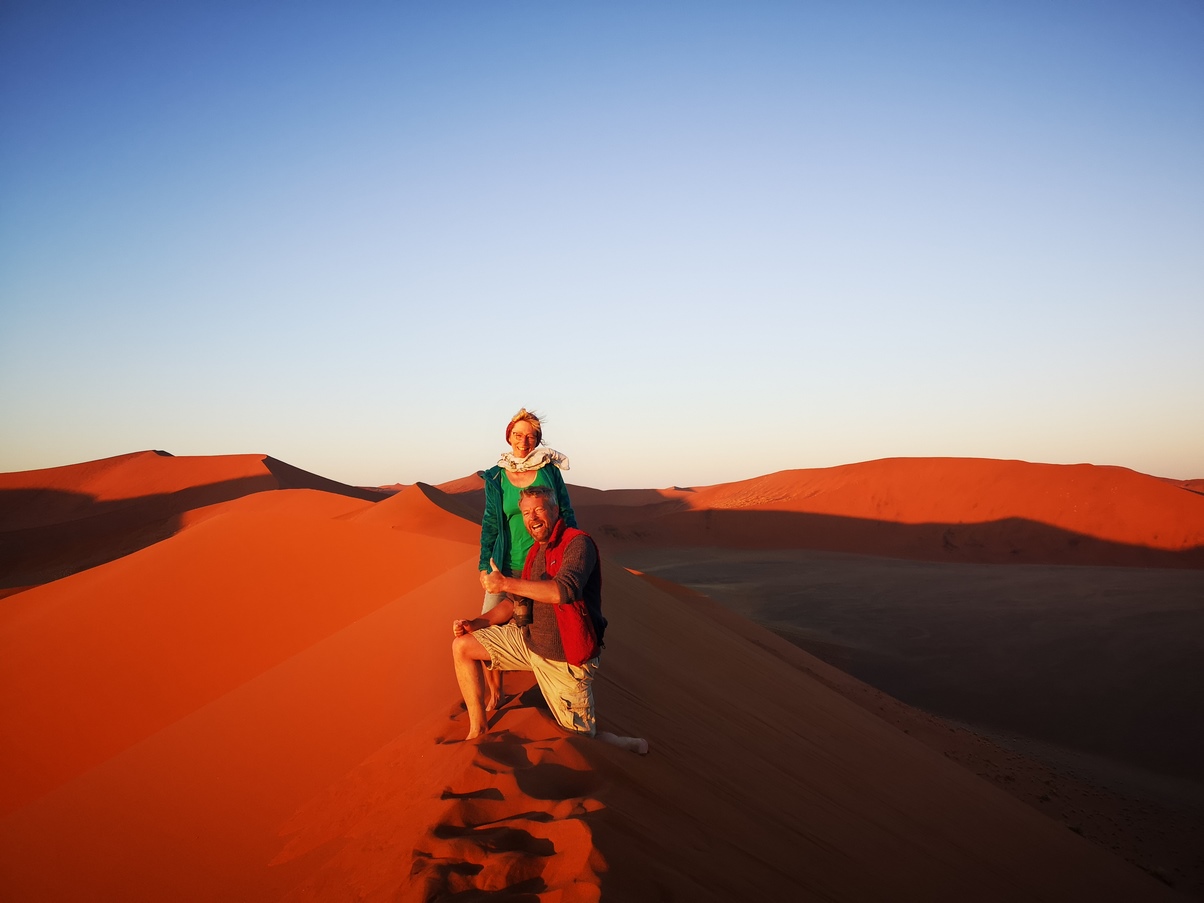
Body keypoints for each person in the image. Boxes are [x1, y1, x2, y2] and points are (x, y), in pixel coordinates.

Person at [452, 486, 648, 754]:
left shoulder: (578, 544)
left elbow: (562, 591)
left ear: (555, 510)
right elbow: (512, 602)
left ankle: (627, 745)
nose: (532, 517)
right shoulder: (535, 551)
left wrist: (506, 582)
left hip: (563, 659)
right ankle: (478, 730)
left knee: (581, 744)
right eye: (526, 513)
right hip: (529, 643)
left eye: (539, 509)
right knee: (463, 646)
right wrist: (476, 624)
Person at [477, 409, 576, 711]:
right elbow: (491, 523)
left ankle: (558, 691)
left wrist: (572, 548)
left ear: (537, 440)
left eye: (530, 436)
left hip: (544, 565)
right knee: (486, 629)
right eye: (518, 435)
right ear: (509, 436)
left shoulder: (549, 470)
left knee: (551, 629)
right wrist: (483, 565)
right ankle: (496, 694)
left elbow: (566, 512)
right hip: (506, 565)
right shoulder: (496, 476)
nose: (523, 441)